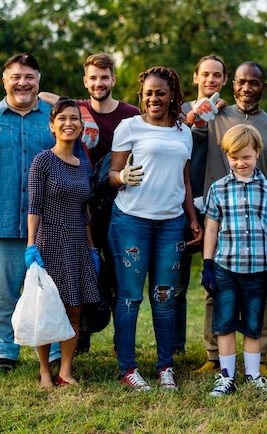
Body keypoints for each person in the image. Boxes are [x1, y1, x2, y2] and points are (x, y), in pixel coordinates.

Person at [108, 66, 202, 391]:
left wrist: (191, 218)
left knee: (164, 297)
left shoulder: (183, 131)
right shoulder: (128, 127)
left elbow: (185, 179)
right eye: (148, 93)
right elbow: (112, 174)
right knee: (130, 297)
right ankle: (128, 368)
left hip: (171, 224)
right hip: (131, 221)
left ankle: (165, 367)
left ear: (173, 94)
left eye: (160, 92)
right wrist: (122, 178)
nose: (153, 98)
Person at [40, 53, 140, 353]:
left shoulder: (129, 113)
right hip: (82, 204)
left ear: (113, 79)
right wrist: (81, 114)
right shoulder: (78, 112)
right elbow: (44, 95)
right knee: (80, 272)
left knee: (120, 277)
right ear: (86, 81)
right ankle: (79, 337)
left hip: (120, 205)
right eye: (93, 78)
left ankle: (120, 340)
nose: (99, 83)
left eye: (104, 77)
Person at [192, 61, 267, 377]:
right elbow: (185, 124)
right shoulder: (216, 114)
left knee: (259, 292)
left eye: (254, 83)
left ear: (263, 87)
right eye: (241, 82)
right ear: (232, 85)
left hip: (256, 217)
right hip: (218, 211)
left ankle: (261, 358)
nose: (247, 88)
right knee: (215, 290)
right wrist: (205, 105)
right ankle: (214, 355)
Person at [0, 53, 62, 371]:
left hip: (48, 224)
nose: (22, 82)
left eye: (29, 77)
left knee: (49, 290)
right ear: (4, 80)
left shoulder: (54, 119)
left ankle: (53, 350)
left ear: (38, 81)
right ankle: (4, 353)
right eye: (15, 76)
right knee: (1, 294)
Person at [201, 124, 267, 396]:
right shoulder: (218, 189)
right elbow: (211, 228)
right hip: (225, 268)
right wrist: (207, 264)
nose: (240, 162)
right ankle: (226, 377)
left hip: (258, 270)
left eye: (246, 157)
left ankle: (252, 375)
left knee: (253, 323)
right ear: (227, 155)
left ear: (258, 152)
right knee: (224, 323)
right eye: (234, 157)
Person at [26, 97, 100, 388]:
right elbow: (34, 206)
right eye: (62, 119)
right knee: (46, 309)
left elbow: (86, 211)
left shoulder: (83, 166)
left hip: (78, 243)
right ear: (52, 126)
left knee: (75, 308)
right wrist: (32, 245)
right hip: (50, 242)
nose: (69, 123)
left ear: (81, 127)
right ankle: (45, 371)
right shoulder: (43, 161)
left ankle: (65, 371)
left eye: (74, 119)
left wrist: (92, 248)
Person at [175, 54, 228, 356]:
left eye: (217, 75)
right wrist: (193, 117)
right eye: (205, 74)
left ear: (223, 80)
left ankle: (216, 351)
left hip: (217, 210)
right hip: (178, 207)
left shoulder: (229, 113)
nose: (210, 80)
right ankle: (175, 348)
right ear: (195, 77)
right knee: (176, 285)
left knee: (217, 284)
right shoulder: (177, 111)